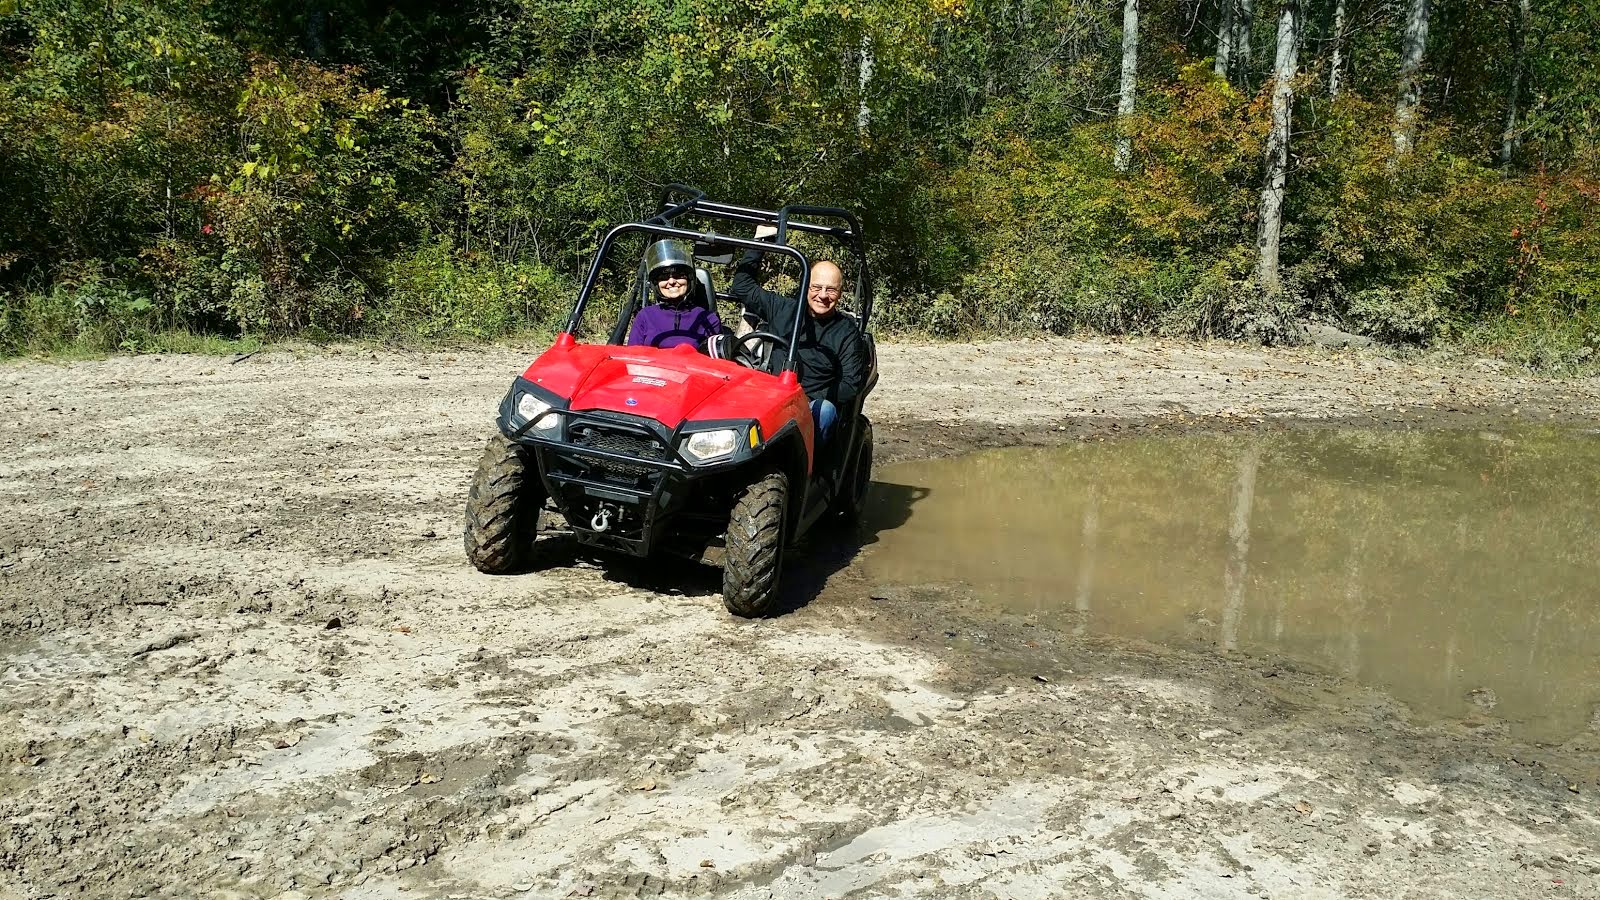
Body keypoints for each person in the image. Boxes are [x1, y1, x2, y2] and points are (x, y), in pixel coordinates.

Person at [730, 225, 869, 448]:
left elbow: (851, 385)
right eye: (816, 287)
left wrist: (806, 399)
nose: (823, 295)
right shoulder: (784, 309)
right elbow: (741, 287)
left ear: (840, 293)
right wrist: (760, 243)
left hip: (812, 404)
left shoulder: (846, 332)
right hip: (773, 397)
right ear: (805, 287)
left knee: (825, 411)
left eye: (831, 290)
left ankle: (813, 473)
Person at [627, 239, 723, 350]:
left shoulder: (708, 319)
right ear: (656, 284)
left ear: (689, 280)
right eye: (664, 277)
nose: (671, 282)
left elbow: (714, 362)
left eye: (678, 275)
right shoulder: (645, 316)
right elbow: (632, 355)